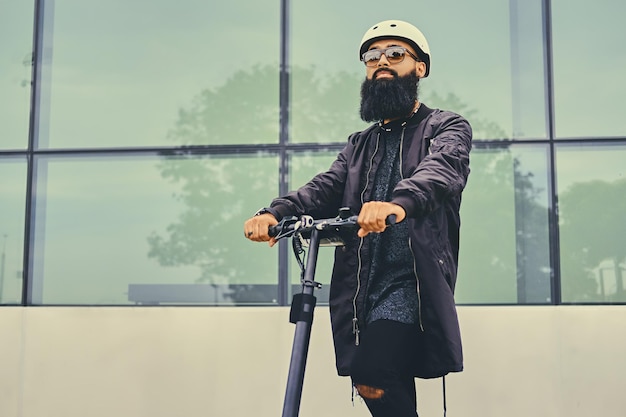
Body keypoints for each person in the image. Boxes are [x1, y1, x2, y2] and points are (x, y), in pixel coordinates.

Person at [244, 19, 472, 417]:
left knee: (372, 371)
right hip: (363, 286)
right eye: (372, 56)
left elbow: (442, 170)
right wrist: (275, 212)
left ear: (420, 67)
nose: (381, 62)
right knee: (383, 380)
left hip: (411, 283)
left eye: (395, 54)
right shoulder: (360, 144)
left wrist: (397, 203)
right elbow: (324, 188)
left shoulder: (445, 126)